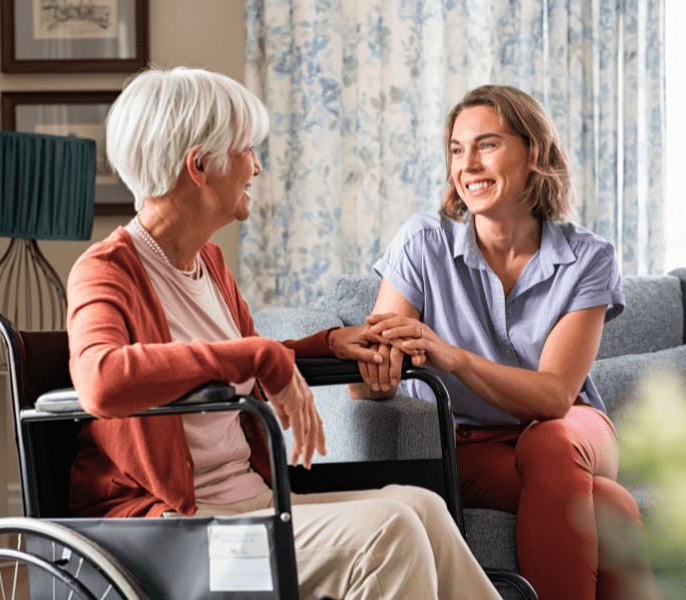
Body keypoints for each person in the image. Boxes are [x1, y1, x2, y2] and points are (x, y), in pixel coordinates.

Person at [66, 66, 501, 600]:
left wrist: (322, 345)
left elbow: (243, 359)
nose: (257, 165)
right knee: (390, 534)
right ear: (199, 166)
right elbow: (100, 381)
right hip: (174, 534)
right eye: (246, 150)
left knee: (423, 508)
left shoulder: (210, 266)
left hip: (247, 505)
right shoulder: (106, 270)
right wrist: (258, 356)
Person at [353, 85, 661, 600]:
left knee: (550, 440)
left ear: (533, 152)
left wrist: (453, 357)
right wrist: (379, 374)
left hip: (573, 430)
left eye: (487, 145)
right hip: (470, 445)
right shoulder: (421, 243)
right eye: (456, 149)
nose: (467, 164)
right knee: (612, 507)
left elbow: (553, 397)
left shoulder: (588, 258)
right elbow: (370, 383)